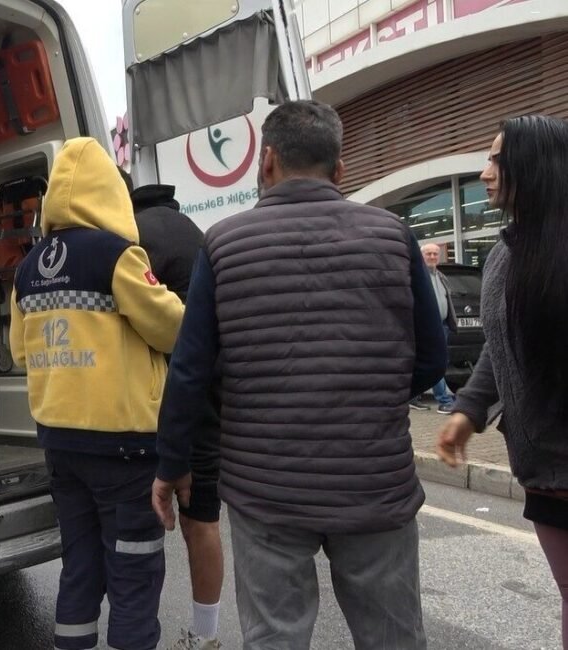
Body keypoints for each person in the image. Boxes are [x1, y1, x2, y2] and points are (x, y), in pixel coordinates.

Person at [153, 100, 447, 649]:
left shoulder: (224, 244)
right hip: (374, 484)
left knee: (274, 637)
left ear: (266, 162)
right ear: (339, 170)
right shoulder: (392, 235)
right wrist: (367, 394)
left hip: (266, 489)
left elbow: (191, 372)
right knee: (393, 639)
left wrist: (172, 465)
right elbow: (431, 357)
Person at [9, 137, 184, 650]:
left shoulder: (27, 268)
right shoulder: (118, 256)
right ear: (109, 192)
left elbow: (20, 355)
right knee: (133, 572)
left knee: (80, 569)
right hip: (124, 448)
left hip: (60, 445)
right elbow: (171, 327)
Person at [437, 115, 568, 649]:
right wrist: (467, 412)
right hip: (543, 471)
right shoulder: (504, 256)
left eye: (496, 159)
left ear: (533, 168)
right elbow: (501, 341)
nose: (485, 173)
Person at [122, 171, 224, 650]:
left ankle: (136, 627)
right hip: (212, 390)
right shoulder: (194, 232)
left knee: (149, 510)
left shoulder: (131, 236)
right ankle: (204, 635)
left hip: (165, 389)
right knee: (200, 516)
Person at [409, 242, 458, 414]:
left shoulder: (441, 276)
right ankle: (444, 400)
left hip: (442, 325)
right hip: (426, 326)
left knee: (438, 362)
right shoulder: (418, 276)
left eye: (435, 254)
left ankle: (413, 398)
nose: (432, 257)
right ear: (421, 256)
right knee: (437, 362)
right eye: (428, 254)